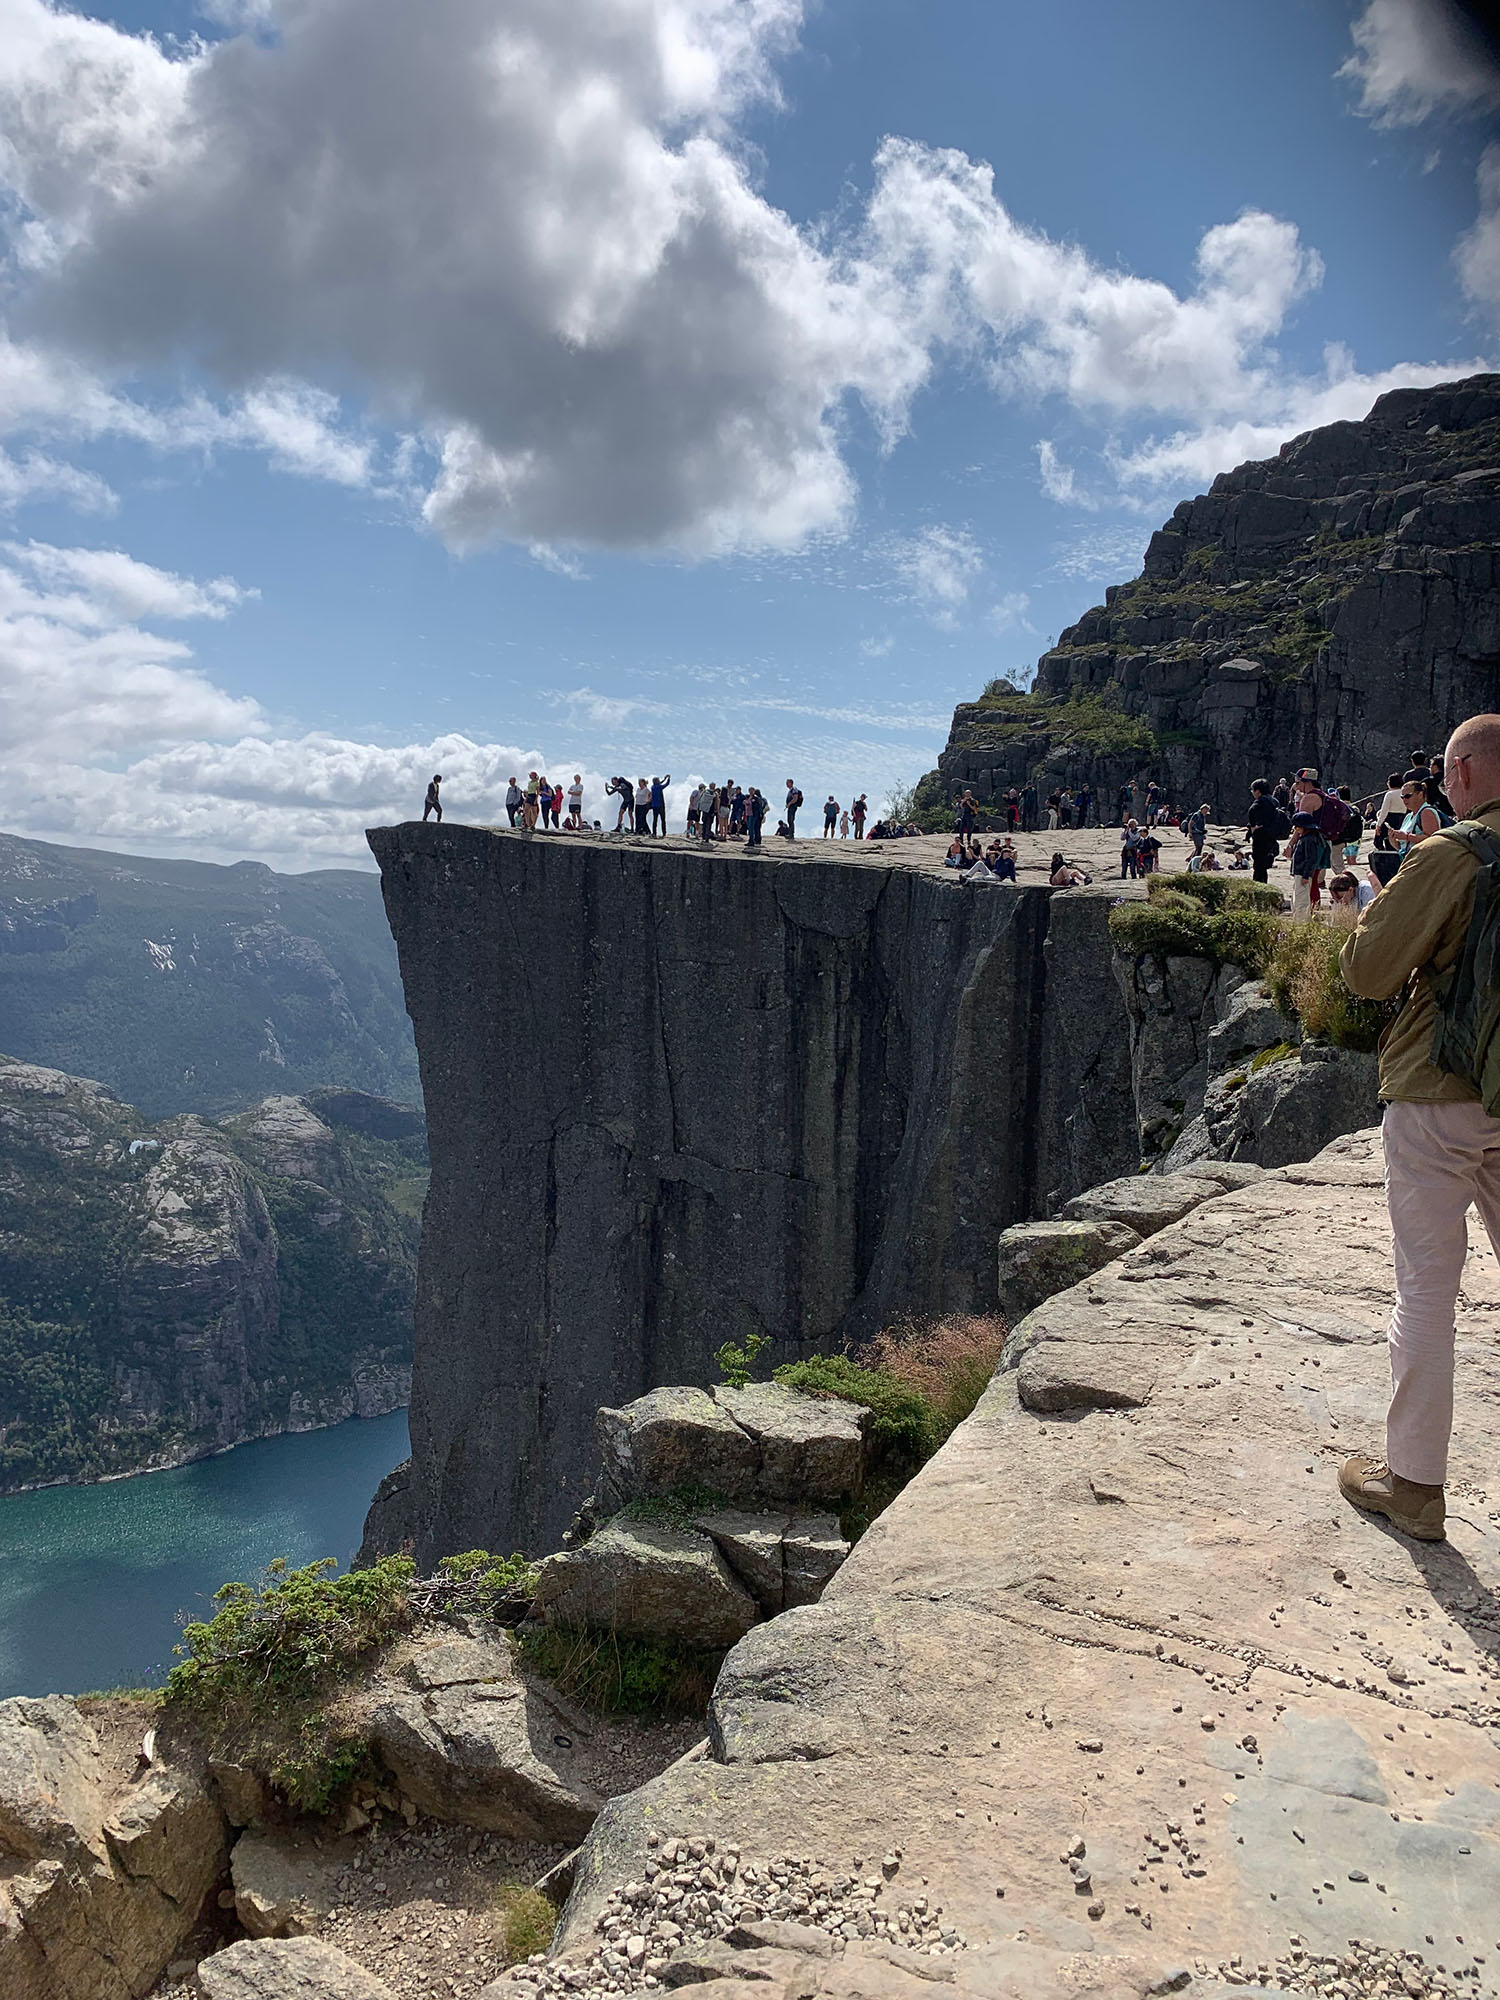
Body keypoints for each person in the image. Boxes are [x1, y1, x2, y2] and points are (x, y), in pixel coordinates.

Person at [1336, 714, 1500, 1544]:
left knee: (1428, 1288)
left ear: (1464, 774)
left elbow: (1367, 973)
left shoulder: (1451, 854)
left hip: (1439, 1092)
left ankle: (1415, 1487)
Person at [1285, 771, 1331, 915]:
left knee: (1308, 881)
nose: (1296, 786)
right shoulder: (1323, 796)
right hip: (1323, 842)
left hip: (1311, 844)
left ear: (1307, 782)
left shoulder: (1308, 799)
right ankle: (1313, 911)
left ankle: (1308, 914)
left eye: (1298, 782)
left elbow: (1301, 826)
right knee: (1315, 879)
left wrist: (1290, 845)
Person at [1391, 776, 1442, 852]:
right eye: (1402, 797)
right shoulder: (1408, 816)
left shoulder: (1427, 812)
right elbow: (1402, 847)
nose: (1404, 800)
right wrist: (1393, 838)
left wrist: (1407, 837)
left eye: (1408, 796)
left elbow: (1433, 840)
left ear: (1420, 795)